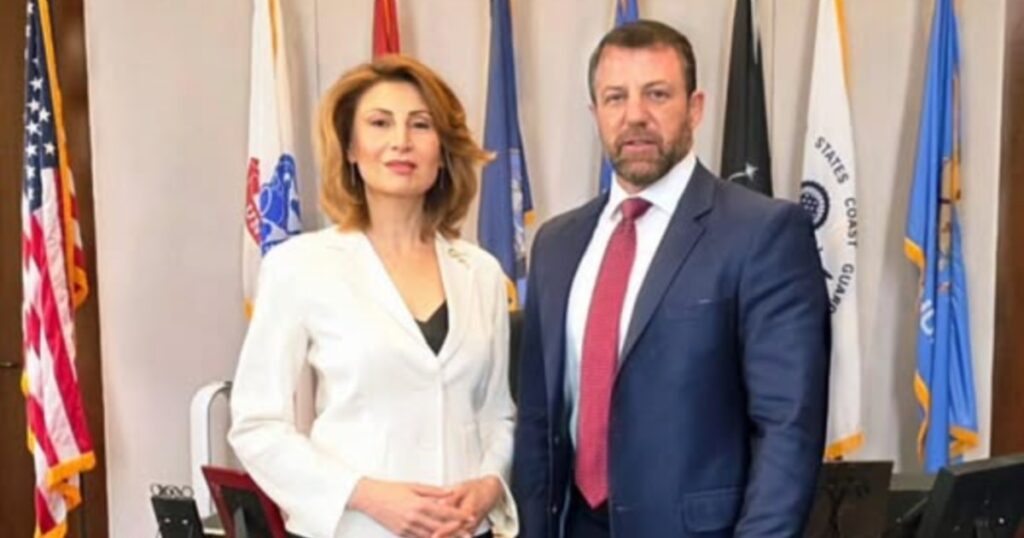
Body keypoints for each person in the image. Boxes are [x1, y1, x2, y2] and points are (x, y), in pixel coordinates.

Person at [512, 20, 831, 537]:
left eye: (657, 94)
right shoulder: (556, 245)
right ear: (596, 114)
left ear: (695, 107)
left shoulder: (763, 233)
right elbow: (537, 422)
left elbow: (787, 427)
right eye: (616, 97)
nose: (635, 115)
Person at [229, 55, 517, 538]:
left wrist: (490, 484)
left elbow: (498, 412)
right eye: (380, 123)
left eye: (420, 125)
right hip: (357, 527)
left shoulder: (482, 273)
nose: (401, 141)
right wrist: (365, 494)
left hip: (466, 530)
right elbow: (256, 424)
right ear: (350, 148)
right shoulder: (300, 266)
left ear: (443, 149)